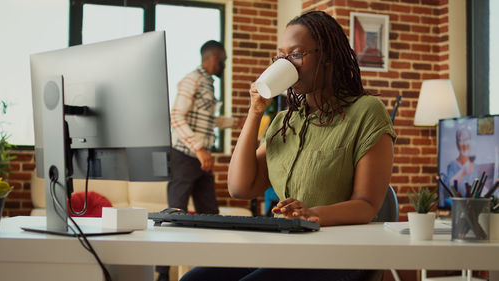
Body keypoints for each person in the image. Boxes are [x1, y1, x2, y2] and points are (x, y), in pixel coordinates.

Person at [180, 11, 396, 281]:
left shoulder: (366, 112)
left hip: (341, 253)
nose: (286, 65)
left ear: (327, 57)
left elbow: (366, 205)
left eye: (295, 54)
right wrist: (255, 111)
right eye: (280, 57)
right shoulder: (285, 122)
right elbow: (240, 187)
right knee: (194, 280)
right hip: (286, 248)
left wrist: (311, 214)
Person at [156, 40, 237, 281]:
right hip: (184, 156)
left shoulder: (209, 84)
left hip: (202, 160)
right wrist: (199, 148)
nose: (224, 63)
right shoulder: (192, 79)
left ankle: (214, 270)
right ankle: (162, 274)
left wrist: (234, 123)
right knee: (173, 217)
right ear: (212, 57)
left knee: (210, 215)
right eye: (223, 59)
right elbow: (176, 117)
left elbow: (204, 120)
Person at [446, 125, 477, 199]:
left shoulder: (475, 166)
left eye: (466, 140)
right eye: (461, 140)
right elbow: (449, 188)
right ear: (457, 143)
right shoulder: (452, 165)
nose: (464, 145)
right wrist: (463, 171)